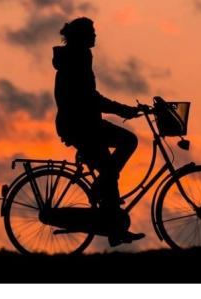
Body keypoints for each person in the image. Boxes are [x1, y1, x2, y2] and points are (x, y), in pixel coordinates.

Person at [52, 17, 146, 246]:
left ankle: (114, 227)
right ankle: (101, 193)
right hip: (80, 125)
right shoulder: (77, 58)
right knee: (124, 147)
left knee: (110, 168)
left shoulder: (77, 57)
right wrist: (123, 109)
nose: (95, 35)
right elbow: (90, 98)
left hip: (83, 124)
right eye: (91, 32)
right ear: (82, 37)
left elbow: (90, 98)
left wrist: (121, 110)